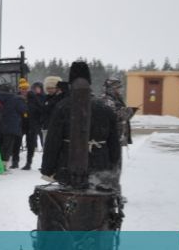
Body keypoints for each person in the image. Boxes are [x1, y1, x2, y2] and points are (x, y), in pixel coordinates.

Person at [40, 61, 120, 190]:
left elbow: (52, 142)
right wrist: (113, 167)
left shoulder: (62, 107)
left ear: (70, 83)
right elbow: (114, 143)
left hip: (67, 166)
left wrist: (47, 169)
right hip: (100, 166)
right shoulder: (104, 108)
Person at [0, 82, 26, 169]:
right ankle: (3, 166)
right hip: (11, 126)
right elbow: (23, 111)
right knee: (7, 147)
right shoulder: (16, 99)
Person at [22, 81, 46, 170]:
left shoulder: (44, 97)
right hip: (31, 124)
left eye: (38, 87)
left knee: (44, 144)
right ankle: (29, 163)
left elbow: (42, 110)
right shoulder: (30, 99)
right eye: (35, 88)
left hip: (40, 124)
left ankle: (44, 164)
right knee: (30, 143)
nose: (36, 89)